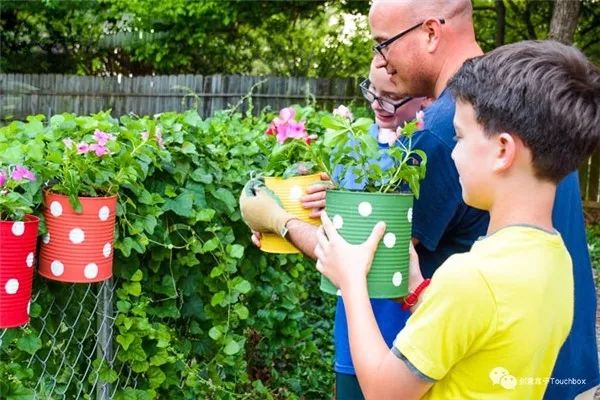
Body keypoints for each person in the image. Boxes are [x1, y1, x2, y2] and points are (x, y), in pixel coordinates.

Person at [314, 39, 600, 399]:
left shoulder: (470, 278)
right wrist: (420, 291)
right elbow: (490, 329)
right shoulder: (556, 258)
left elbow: (385, 391)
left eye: (460, 137)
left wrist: (352, 280)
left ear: (502, 151)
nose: (455, 153)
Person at [239, 61, 429, 399]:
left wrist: (281, 222)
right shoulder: (354, 145)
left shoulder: (421, 153)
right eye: (372, 91)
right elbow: (333, 230)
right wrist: (286, 218)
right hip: (353, 332)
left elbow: (376, 249)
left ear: (425, 99)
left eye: (392, 97)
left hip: (404, 339)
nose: (377, 105)